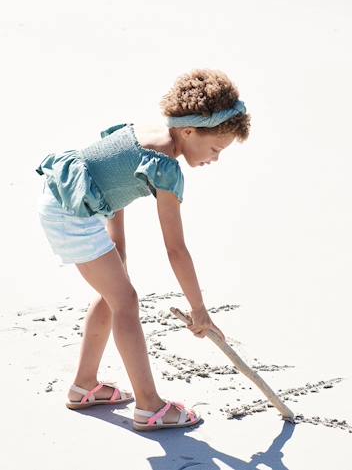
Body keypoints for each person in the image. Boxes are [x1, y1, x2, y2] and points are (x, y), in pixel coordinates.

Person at [35, 69, 251, 431]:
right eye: (215, 149)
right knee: (126, 302)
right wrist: (199, 310)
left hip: (67, 202)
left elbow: (107, 181)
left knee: (111, 295)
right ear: (189, 131)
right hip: (71, 214)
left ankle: (83, 386)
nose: (215, 159)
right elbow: (176, 249)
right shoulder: (166, 167)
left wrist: (118, 248)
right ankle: (149, 406)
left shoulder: (144, 134)